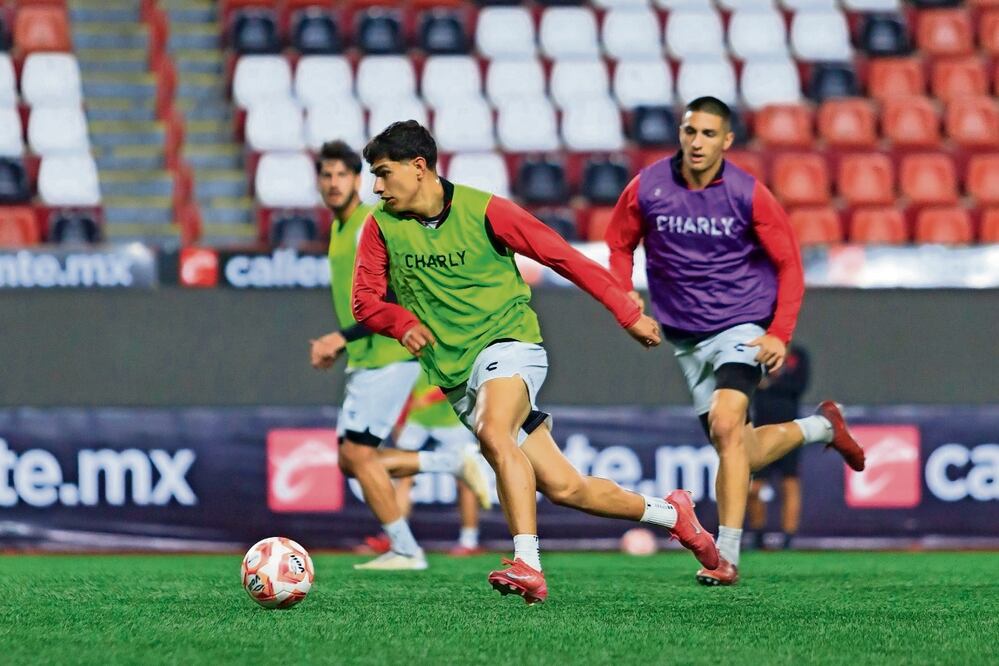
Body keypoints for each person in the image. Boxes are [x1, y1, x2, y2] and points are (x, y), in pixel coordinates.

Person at [351, 120, 720, 605]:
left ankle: (527, 562)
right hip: (457, 373)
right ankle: (673, 516)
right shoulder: (380, 227)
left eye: (383, 173)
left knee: (493, 432)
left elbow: (562, 257)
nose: (376, 187)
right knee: (567, 487)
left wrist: (626, 310)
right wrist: (400, 323)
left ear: (418, 167)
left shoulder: (485, 211)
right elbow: (365, 301)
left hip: (509, 344)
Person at [605, 97, 866, 586]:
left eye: (708, 134)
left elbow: (790, 265)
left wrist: (778, 334)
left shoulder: (748, 194)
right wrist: (624, 298)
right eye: (690, 132)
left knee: (727, 427)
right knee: (738, 446)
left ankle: (725, 558)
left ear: (726, 140)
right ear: (680, 135)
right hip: (684, 338)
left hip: (740, 327)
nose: (697, 142)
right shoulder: (649, 187)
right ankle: (822, 428)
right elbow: (619, 243)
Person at [308, 140, 490, 572]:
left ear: (358, 180)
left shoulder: (368, 223)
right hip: (369, 356)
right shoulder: (339, 227)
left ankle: (407, 548)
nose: (333, 183)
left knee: (357, 456)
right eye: (326, 175)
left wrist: (340, 335)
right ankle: (450, 463)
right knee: (352, 461)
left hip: (389, 352)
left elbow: (392, 293)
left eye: (342, 175)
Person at [394, 374, 489, 556]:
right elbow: (407, 388)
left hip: (453, 421)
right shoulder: (409, 350)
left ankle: (469, 540)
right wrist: (401, 420)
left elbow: (461, 378)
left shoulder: (450, 347)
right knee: (402, 476)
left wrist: (429, 398)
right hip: (417, 420)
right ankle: (397, 540)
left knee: (466, 480)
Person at [746, 345, 810, 550]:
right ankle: (758, 535)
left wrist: (772, 381)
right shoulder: (759, 354)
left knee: (789, 483)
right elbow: (750, 384)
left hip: (789, 429)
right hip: (762, 430)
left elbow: (798, 386)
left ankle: (788, 538)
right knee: (755, 487)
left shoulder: (798, 356)